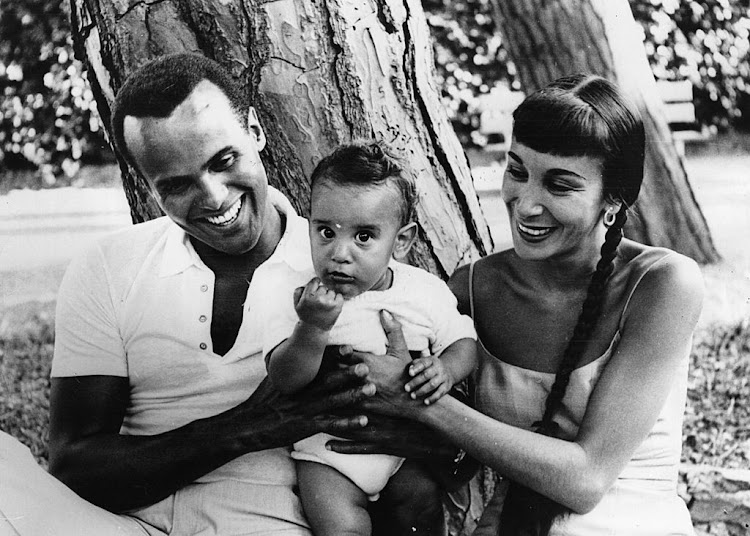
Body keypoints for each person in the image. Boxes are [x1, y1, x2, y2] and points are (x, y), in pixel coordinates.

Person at [0, 53, 380, 536]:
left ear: (256, 132)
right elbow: (75, 466)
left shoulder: (342, 269)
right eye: (178, 185)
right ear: (147, 184)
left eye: (223, 161)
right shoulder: (110, 266)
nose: (215, 197)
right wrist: (248, 426)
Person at [334, 74, 704, 535]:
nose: (526, 203)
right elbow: (460, 463)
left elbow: (586, 480)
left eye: (559, 185)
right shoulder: (473, 288)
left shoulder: (661, 284)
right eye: (517, 171)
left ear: (613, 199)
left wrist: (419, 404)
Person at [258, 141, 477, 535]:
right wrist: (312, 328)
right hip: (328, 457)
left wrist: (444, 369)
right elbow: (285, 379)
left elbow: (464, 342)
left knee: (422, 508)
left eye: (363, 237)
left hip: (403, 453)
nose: (340, 253)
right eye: (326, 231)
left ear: (403, 241)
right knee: (341, 528)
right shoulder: (299, 296)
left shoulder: (422, 291)